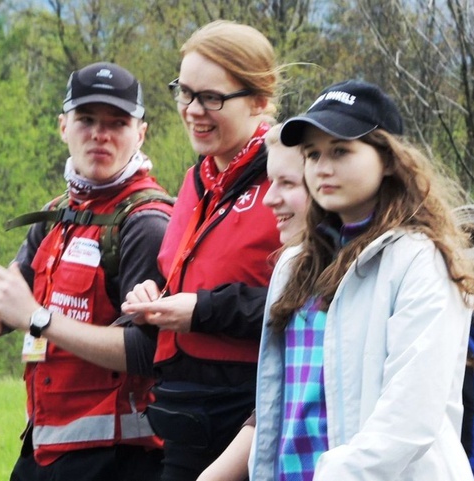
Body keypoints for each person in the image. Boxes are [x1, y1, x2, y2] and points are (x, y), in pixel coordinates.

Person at [0, 62, 172, 481]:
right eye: (86, 120)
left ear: (140, 133)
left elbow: (146, 352)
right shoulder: (56, 215)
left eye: (117, 122)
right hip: (44, 451)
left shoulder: (146, 223)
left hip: (118, 461)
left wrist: (38, 319)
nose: (99, 134)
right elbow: (3, 310)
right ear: (62, 126)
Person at [249, 80, 474, 480]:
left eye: (340, 151)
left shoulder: (419, 259)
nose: (322, 167)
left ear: (388, 159)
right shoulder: (294, 266)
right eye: (312, 154)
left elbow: (410, 416)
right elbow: (276, 405)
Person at [121, 20, 282, 481]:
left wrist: (202, 310)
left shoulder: (288, 179)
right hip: (183, 412)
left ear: (260, 100)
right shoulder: (197, 180)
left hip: (248, 410)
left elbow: (311, 302)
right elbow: (186, 272)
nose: (193, 110)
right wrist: (155, 293)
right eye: (184, 92)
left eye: (212, 98)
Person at [196, 123, 309, 481]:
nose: (269, 198)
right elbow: (278, 402)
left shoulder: (384, 275)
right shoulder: (294, 271)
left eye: (287, 183)